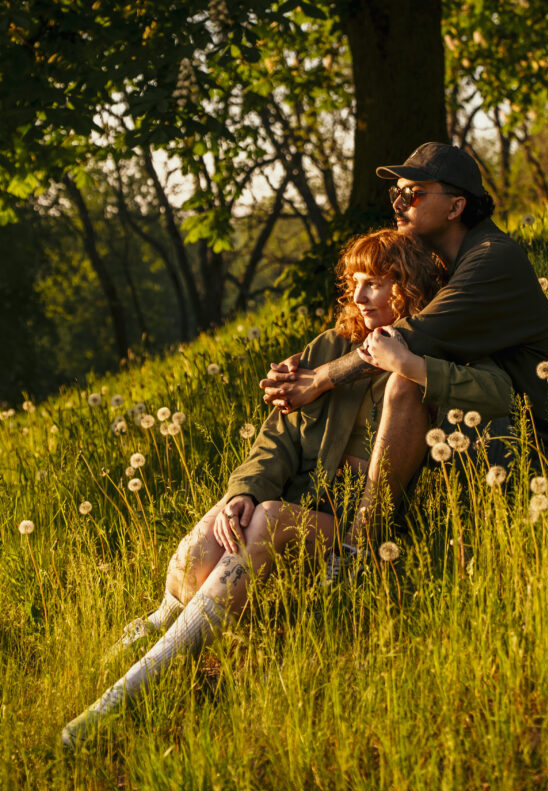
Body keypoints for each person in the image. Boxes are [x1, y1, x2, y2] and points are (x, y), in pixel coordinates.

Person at [61, 227, 513, 746]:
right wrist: (242, 495)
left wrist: (410, 366)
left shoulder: (443, 343)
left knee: (270, 520)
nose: (361, 296)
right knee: (208, 537)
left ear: (407, 285)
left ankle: (118, 700)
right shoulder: (332, 347)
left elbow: (500, 393)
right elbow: (275, 439)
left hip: (370, 526)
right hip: (302, 503)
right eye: (356, 282)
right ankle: (163, 624)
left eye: (377, 282)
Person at [260, 142, 548, 569]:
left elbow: (407, 336)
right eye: (397, 194)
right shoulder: (449, 263)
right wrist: (304, 363)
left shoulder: (490, 259)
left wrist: (319, 379)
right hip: (473, 420)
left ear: (456, 206)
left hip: (525, 430)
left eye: (414, 193)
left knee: (405, 380)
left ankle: (359, 552)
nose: (399, 202)